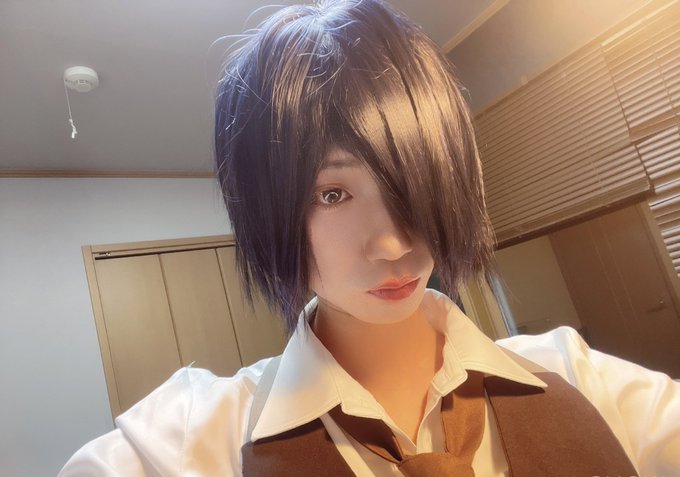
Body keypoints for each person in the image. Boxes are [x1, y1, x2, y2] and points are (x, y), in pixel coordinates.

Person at [59, 1, 680, 476]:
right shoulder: (194, 440)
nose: (393, 246)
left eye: (414, 181)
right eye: (332, 193)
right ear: (265, 209)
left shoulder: (579, 379)